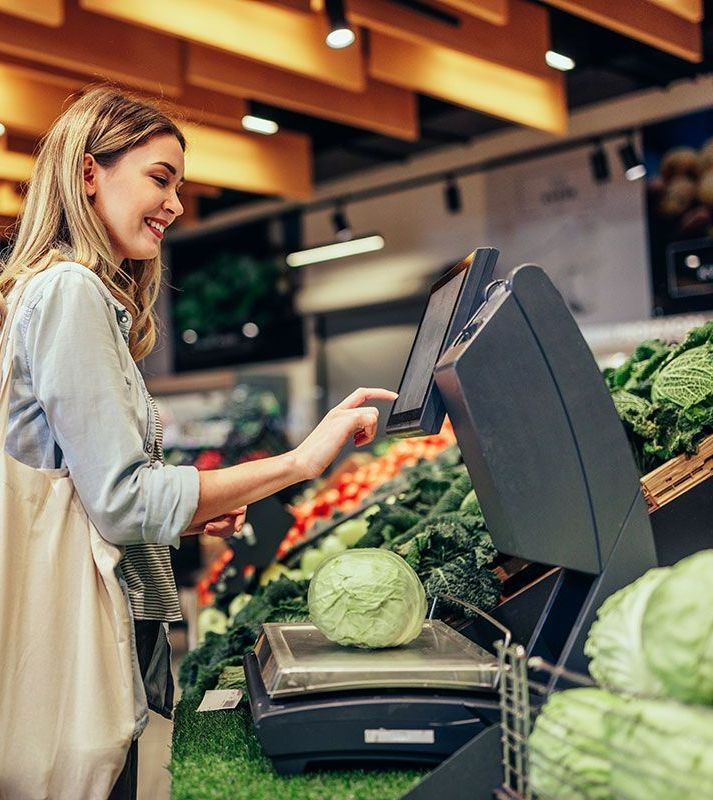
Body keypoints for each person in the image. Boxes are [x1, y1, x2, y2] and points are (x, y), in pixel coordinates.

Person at [0, 86, 397, 799]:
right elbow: (123, 502)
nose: (176, 204)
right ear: (88, 173)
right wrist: (301, 462)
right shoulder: (70, 291)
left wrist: (183, 515)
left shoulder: (46, 291)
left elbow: (87, 491)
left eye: (178, 185)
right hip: (77, 639)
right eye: (160, 178)